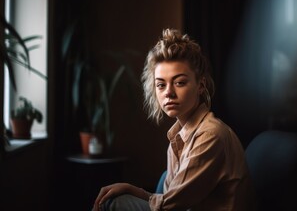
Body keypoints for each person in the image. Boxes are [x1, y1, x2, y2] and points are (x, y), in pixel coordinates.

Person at [93, 29, 257, 211]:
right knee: (139, 187)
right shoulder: (177, 137)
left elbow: (170, 207)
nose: (168, 93)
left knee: (114, 202)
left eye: (179, 82)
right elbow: (170, 199)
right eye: (161, 85)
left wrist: (133, 190)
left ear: (201, 85)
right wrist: (133, 190)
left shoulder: (210, 135)